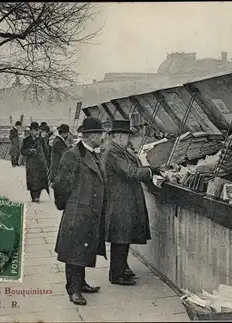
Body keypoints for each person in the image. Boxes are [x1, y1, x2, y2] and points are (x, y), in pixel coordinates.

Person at [52, 117, 107, 306]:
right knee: (74, 250)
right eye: (100, 134)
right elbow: (60, 183)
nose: (103, 137)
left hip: (88, 211)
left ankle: (81, 283)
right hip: (78, 210)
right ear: (92, 136)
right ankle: (73, 289)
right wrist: (68, 205)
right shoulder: (72, 154)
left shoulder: (92, 153)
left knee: (82, 249)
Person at [101, 120, 163, 286]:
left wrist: (149, 168)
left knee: (124, 236)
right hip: (120, 200)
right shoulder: (112, 152)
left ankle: (123, 268)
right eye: (127, 136)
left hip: (124, 199)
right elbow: (129, 171)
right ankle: (116, 274)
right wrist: (151, 171)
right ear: (120, 136)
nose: (129, 139)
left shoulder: (118, 150)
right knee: (120, 237)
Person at [20, 122, 50, 202]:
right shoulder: (26, 140)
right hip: (31, 163)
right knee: (32, 180)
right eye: (31, 130)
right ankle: (34, 196)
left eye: (33, 130)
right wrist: (29, 151)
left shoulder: (41, 140)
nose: (32, 132)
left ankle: (37, 196)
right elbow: (22, 151)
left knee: (39, 180)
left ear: (37, 131)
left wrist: (48, 162)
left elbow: (46, 151)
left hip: (40, 163)